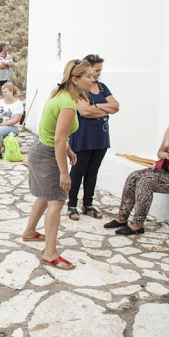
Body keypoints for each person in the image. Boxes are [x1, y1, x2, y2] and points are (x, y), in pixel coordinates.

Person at [22, 59, 94, 270]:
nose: (93, 79)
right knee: (56, 201)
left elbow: (53, 129)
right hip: (47, 154)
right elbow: (59, 140)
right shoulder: (69, 104)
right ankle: (50, 253)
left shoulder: (58, 93)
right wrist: (65, 172)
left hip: (40, 148)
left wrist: (69, 150)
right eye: (88, 76)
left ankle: (29, 232)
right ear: (75, 79)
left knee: (45, 196)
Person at [105, 96, 169, 235]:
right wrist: (164, 156)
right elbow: (161, 151)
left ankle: (137, 225)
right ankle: (122, 218)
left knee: (146, 181)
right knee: (134, 176)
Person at [68, 54, 120, 220]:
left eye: (99, 71)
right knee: (78, 172)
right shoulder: (80, 90)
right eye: (95, 71)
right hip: (83, 137)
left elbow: (116, 106)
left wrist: (96, 105)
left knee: (93, 171)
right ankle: (72, 205)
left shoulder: (103, 88)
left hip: (100, 137)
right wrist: (105, 108)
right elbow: (85, 111)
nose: (97, 74)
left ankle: (88, 204)